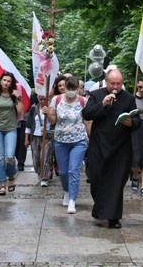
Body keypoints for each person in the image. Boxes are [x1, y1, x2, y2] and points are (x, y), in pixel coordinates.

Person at [82, 68, 140, 229]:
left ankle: (113, 217)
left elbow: (138, 121)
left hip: (120, 148)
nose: (115, 86)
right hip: (99, 146)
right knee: (96, 179)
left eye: (119, 83)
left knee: (116, 183)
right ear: (106, 81)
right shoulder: (96, 95)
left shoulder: (128, 98)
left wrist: (131, 122)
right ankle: (101, 211)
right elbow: (86, 114)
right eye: (112, 83)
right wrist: (103, 104)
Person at [47, 76, 88, 213]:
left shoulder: (83, 101)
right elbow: (53, 120)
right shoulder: (57, 100)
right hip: (61, 140)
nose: (70, 91)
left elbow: (87, 121)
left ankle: (72, 200)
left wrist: (90, 137)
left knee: (73, 170)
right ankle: (66, 190)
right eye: (68, 88)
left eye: (73, 89)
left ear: (78, 89)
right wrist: (48, 114)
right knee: (63, 172)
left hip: (79, 140)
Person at [0, 71, 24, 196]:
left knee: (9, 157)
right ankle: (2, 184)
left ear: (11, 84)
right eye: (4, 80)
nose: (6, 82)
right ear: (0, 81)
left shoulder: (13, 96)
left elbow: (21, 112)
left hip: (11, 129)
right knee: (0, 157)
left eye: (9, 81)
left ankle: (11, 176)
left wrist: (19, 98)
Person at [25, 94, 54, 186]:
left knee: (45, 157)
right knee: (36, 158)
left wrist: (48, 114)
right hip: (35, 137)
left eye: (45, 99)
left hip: (47, 137)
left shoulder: (51, 108)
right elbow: (29, 125)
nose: (42, 101)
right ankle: (39, 172)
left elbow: (53, 121)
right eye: (41, 99)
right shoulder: (33, 109)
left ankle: (44, 177)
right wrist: (26, 138)